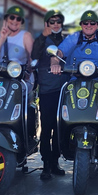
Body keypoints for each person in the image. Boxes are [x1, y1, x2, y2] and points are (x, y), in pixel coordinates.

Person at [50, 10, 98, 153]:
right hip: (76, 78)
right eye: (85, 23)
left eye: (92, 23)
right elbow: (59, 52)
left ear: (97, 25)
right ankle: (65, 134)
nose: (89, 25)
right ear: (81, 25)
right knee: (64, 93)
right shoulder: (74, 37)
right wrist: (54, 62)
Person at [31, 9, 68, 180]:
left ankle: (55, 162)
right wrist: (42, 37)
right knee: (47, 129)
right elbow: (34, 55)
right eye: (51, 22)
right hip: (47, 90)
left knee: (60, 129)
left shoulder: (67, 41)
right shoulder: (40, 40)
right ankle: (45, 164)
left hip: (64, 90)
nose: (55, 24)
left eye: (58, 22)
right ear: (46, 24)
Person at [0, 5, 34, 74]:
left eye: (18, 19)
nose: (15, 21)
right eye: (12, 17)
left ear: (21, 22)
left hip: (16, 78)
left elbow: (32, 58)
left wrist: (28, 72)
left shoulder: (26, 36)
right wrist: (2, 39)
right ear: (6, 20)